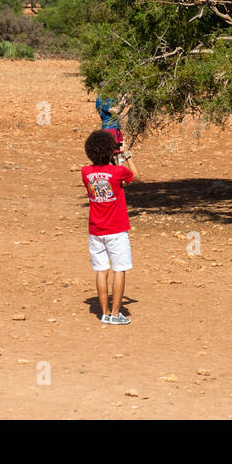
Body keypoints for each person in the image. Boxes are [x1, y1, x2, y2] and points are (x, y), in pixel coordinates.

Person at [79, 129, 141, 324]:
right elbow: (136, 177)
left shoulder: (85, 172)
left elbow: (103, 173)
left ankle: (104, 312)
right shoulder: (118, 172)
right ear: (110, 150)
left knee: (101, 270)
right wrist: (126, 155)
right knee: (119, 269)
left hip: (96, 230)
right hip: (116, 229)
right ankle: (115, 314)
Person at [94, 94, 128, 163]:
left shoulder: (109, 98)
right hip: (109, 129)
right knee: (113, 153)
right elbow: (115, 111)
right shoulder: (101, 99)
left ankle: (119, 170)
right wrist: (124, 98)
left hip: (116, 128)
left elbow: (118, 110)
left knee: (120, 152)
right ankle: (112, 170)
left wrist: (123, 100)